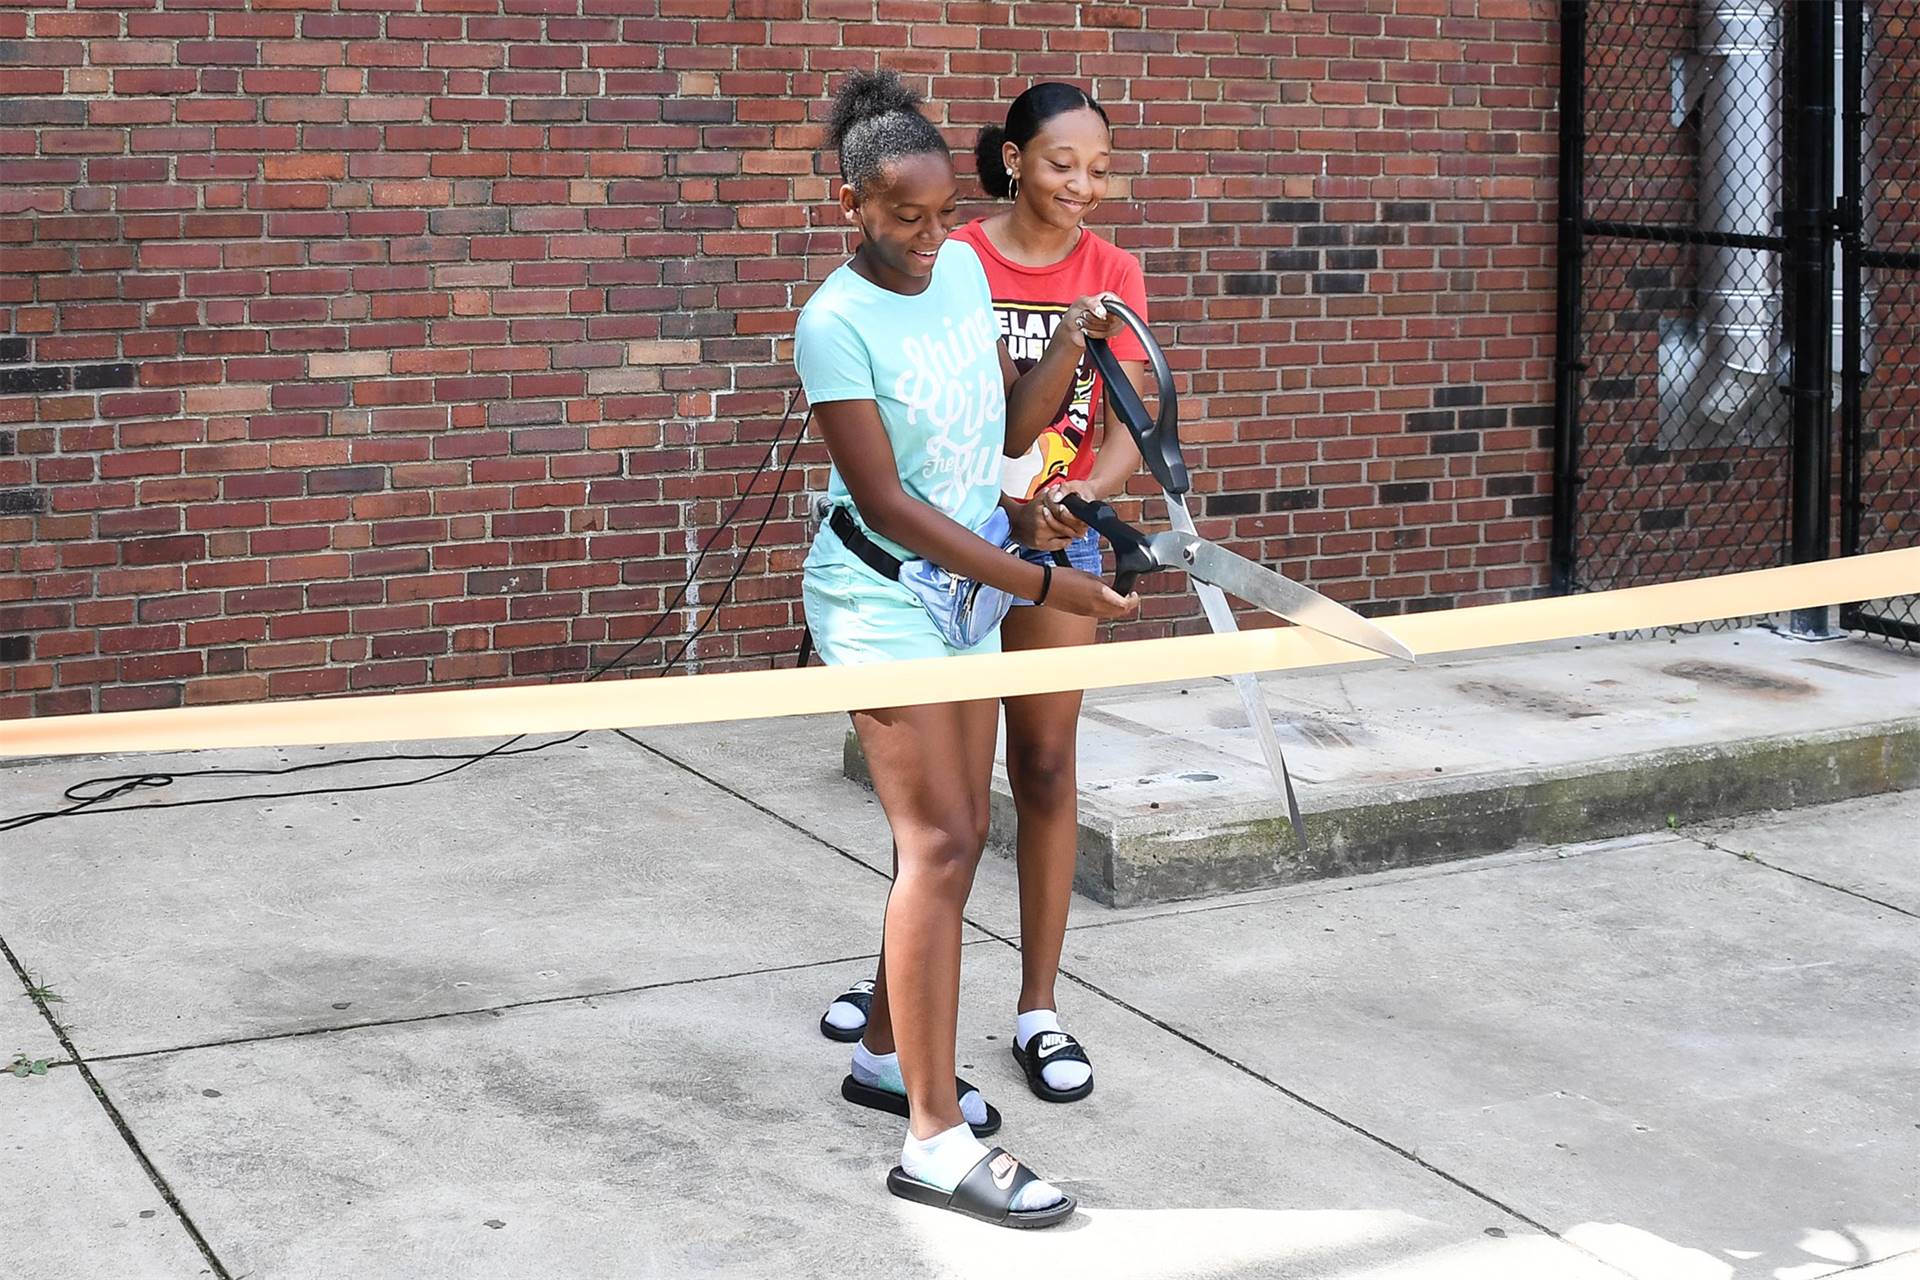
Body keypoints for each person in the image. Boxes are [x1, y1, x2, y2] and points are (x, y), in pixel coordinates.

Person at [794, 69, 1136, 1228]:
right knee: (937, 840)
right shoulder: (833, 322)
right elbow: (887, 500)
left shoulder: (955, 281)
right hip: (883, 597)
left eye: (944, 212)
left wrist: (1075, 357)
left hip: (970, 587)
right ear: (851, 202)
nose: (930, 235)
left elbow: (1002, 429)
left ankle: (887, 1055)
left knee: (965, 827)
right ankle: (933, 1141)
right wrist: (1041, 580)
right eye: (903, 214)